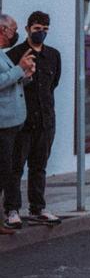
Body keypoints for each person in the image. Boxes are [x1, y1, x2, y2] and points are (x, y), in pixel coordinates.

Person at [4, 11, 61, 226]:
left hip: (46, 121)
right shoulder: (14, 54)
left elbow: (53, 83)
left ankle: (38, 208)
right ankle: (12, 209)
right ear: (28, 29)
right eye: (37, 29)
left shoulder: (53, 55)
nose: (41, 33)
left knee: (39, 166)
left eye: (45, 30)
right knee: (15, 167)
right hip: (21, 122)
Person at [0, 14, 34, 234]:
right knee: (3, 171)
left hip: (13, 123)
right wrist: (19, 68)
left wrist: (26, 74)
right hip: (3, 124)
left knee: (9, 170)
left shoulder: (2, 55)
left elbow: (11, 81)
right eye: (12, 30)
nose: (14, 34)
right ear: (3, 30)